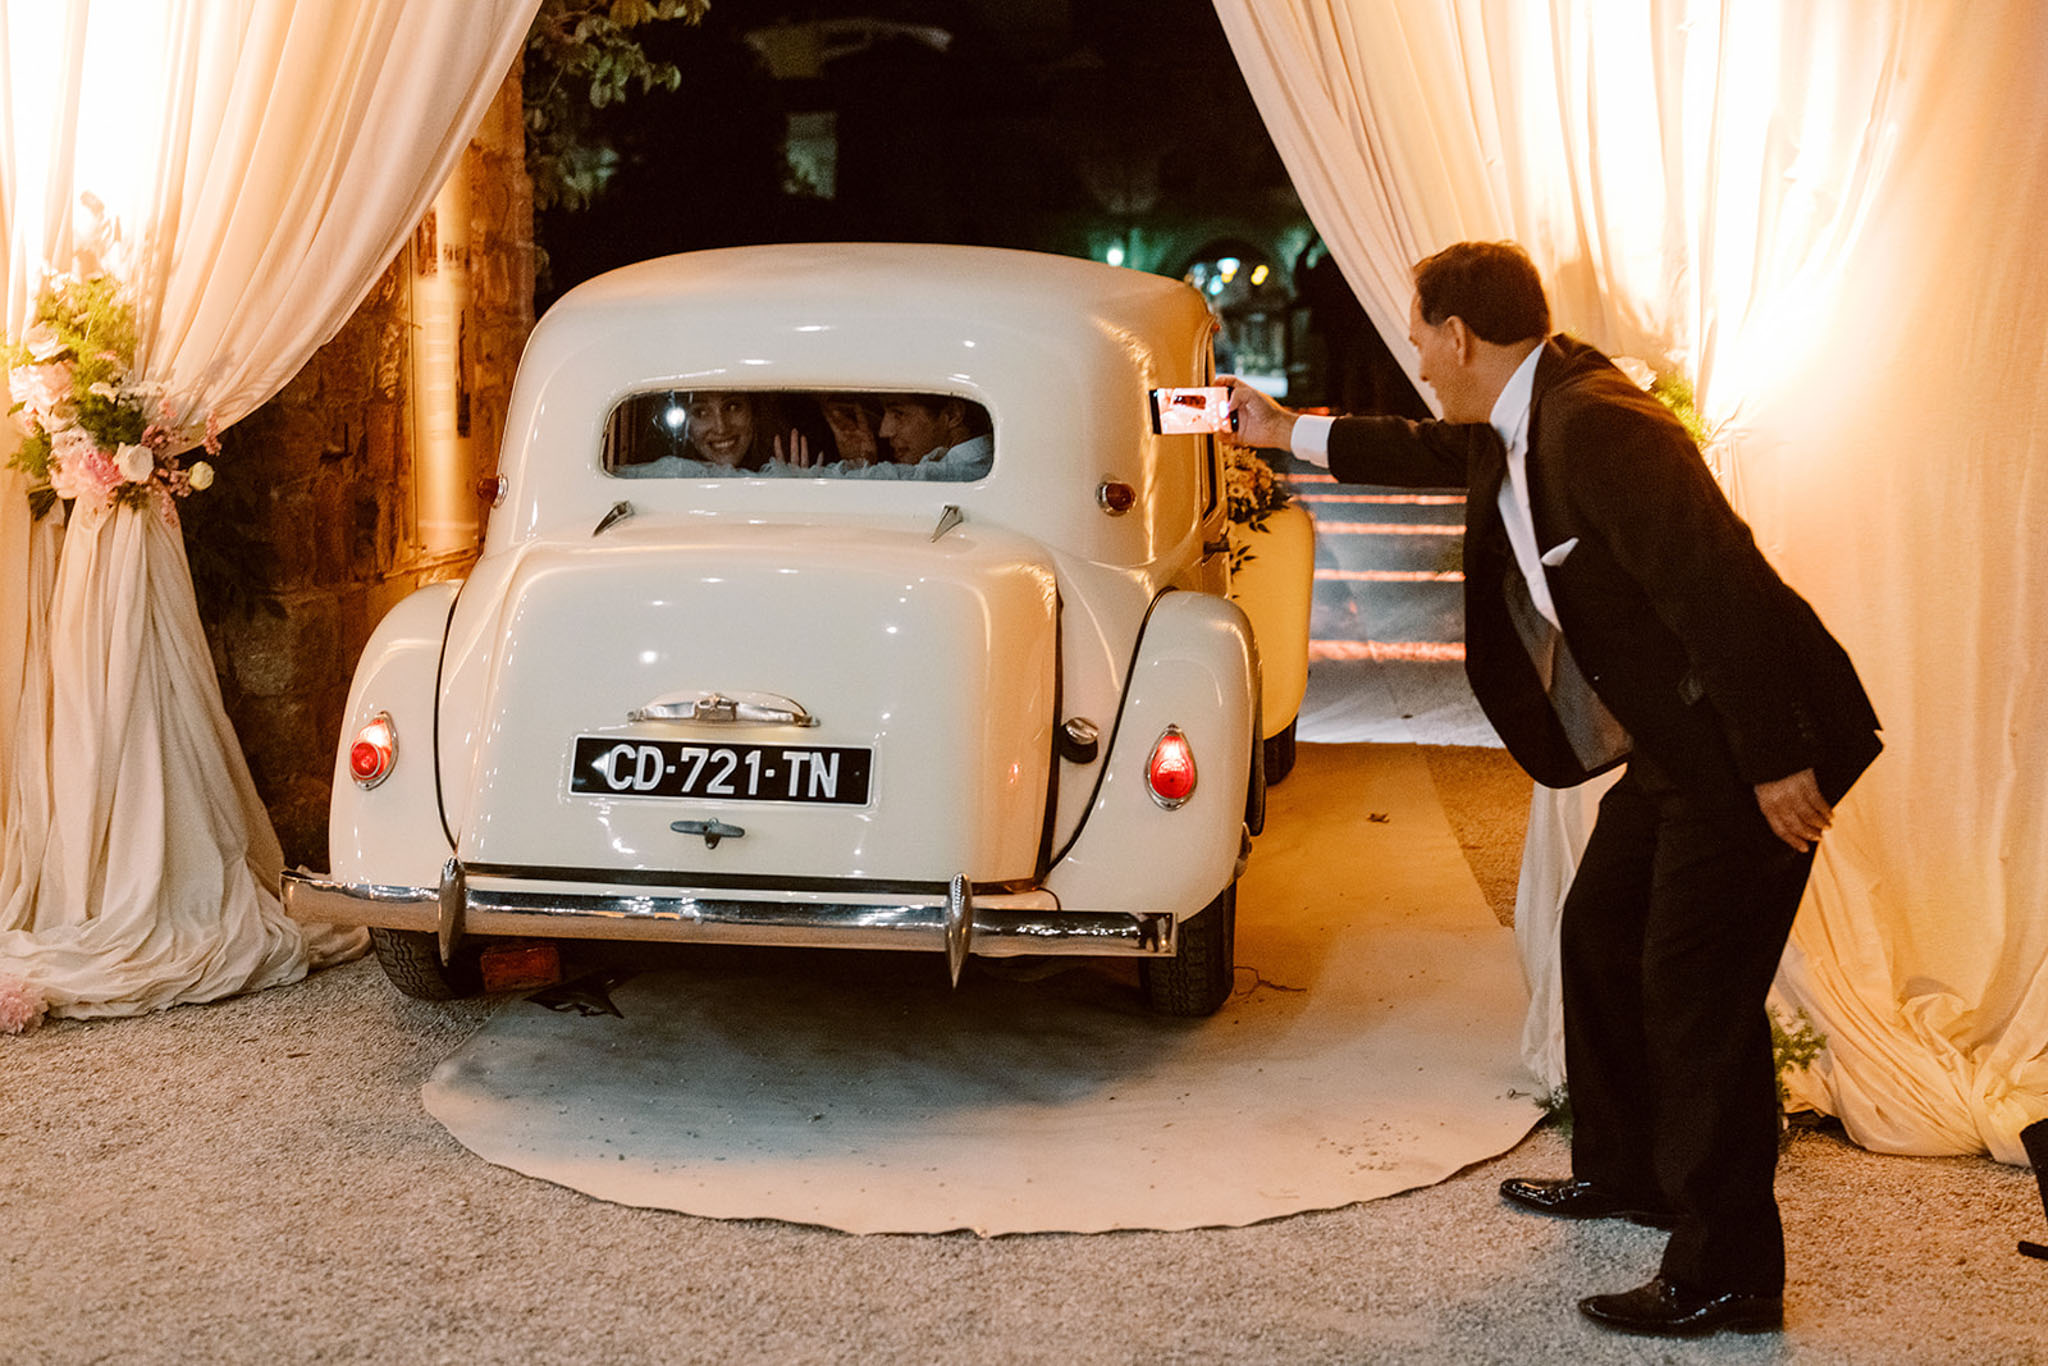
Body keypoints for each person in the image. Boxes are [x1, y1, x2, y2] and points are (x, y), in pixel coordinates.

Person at [1227, 241, 1881, 1339]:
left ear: (1458, 336)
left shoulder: (1601, 426)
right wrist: (1277, 426)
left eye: (1419, 333)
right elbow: (1427, 446)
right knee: (1597, 930)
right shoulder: (1521, 416)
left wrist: (1775, 760)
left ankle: (1728, 1272)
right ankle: (1626, 1170)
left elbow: (1723, 587)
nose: (1419, 358)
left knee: (1694, 994)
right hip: (1682, 740)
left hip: (1747, 743)